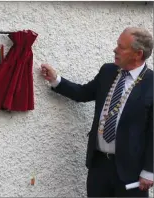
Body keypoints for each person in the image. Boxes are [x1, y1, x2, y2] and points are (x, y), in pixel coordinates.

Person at [40, 27, 153, 197]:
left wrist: (149, 171)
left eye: (121, 47)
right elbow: (84, 93)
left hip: (131, 171)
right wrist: (56, 80)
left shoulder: (151, 83)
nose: (115, 50)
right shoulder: (108, 71)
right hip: (99, 165)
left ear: (137, 54)